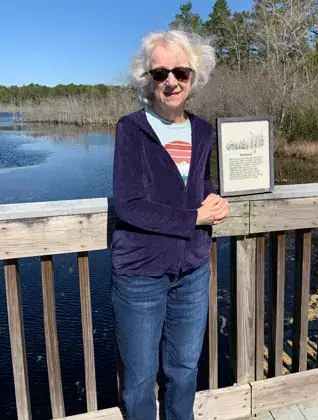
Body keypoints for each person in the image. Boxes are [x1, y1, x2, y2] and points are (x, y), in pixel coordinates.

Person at [110, 29, 229, 420]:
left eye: (180, 71)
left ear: (195, 76)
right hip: (141, 274)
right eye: (160, 74)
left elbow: (201, 183)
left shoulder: (203, 131)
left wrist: (212, 198)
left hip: (192, 269)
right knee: (141, 380)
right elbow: (129, 206)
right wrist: (195, 217)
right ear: (148, 80)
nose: (171, 81)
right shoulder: (131, 129)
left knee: (183, 371)